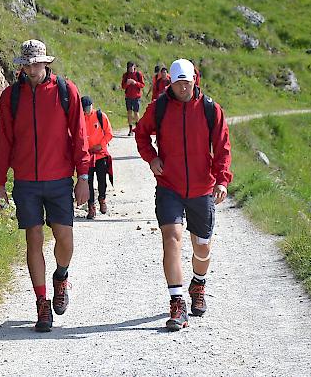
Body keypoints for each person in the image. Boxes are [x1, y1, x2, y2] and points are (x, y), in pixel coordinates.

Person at [0, 39, 90, 332]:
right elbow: (4, 141)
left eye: (37, 63)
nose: (32, 68)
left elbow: (80, 134)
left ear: (46, 62)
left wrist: (83, 177)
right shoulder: (10, 97)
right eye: (27, 63)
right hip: (26, 183)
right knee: (33, 239)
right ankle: (42, 304)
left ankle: (61, 276)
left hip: (60, 180)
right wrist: (0, 184)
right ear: (21, 65)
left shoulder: (65, 91)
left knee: (65, 240)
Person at [134, 58, 232, 331]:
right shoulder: (160, 108)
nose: (182, 88)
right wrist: (151, 158)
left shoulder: (211, 109)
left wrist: (222, 181)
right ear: (171, 84)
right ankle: (177, 303)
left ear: (194, 80)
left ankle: (198, 284)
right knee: (172, 239)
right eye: (178, 84)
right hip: (170, 187)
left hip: (202, 188)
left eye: (186, 83)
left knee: (202, 246)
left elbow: (222, 147)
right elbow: (142, 134)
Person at [81, 96, 114, 219]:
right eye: (84, 109)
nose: (87, 111)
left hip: (101, 154)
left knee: (102, 180)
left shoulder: (101, 116)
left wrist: (101, 145)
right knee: (88, 182)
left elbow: (109, 133)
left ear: (92, 105)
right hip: (87, 156)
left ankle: (102, 199)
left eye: (88, 108)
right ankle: (91, 207)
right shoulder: (79, 118)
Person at [121, 61, 145, 136]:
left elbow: (142, 85)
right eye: (129, 67)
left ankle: (138, 128)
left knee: (136, 112)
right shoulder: (125, 75)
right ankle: (130, 129)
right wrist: (127, 84)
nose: (131, 69)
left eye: (132, 67)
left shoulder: (138, 74)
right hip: (128, 96)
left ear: (134, 67)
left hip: (136, 96)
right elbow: (123, 86)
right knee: (129, 112)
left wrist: (135, 83)